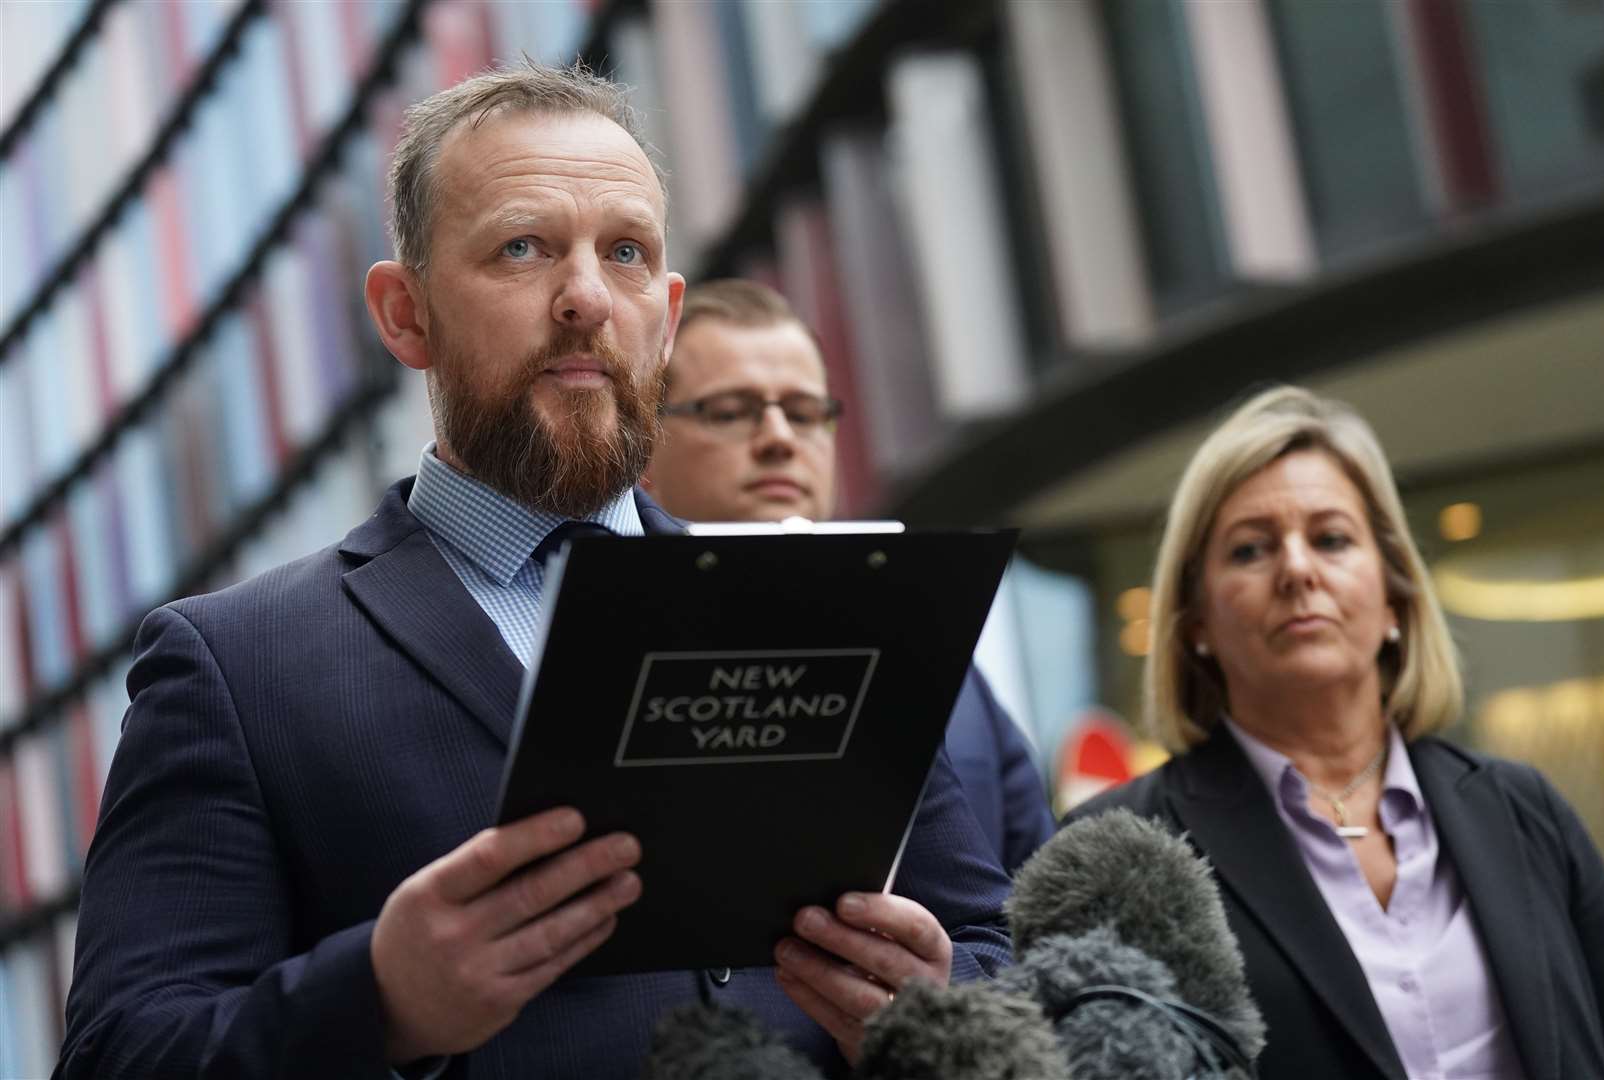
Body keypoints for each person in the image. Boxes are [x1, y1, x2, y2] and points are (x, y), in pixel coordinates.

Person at [56, 62, 1013, 1080]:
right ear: (404, 314)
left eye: (628, 254)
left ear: (670, 311)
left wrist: (930, 1018)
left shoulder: (831, 609)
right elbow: (124, 1054)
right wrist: (381, 1001)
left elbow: (989, 956)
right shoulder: (237, 665)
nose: (587, 299)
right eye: (523, 248)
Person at [1066, 386, 1604, 1079]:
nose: (1298, 570)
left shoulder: (1521, 807)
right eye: (1249, 550)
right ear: (1197, 619)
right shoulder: (1119, 852)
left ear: (1393, 597)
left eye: (1331, 539)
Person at [642, 278, 1054, 872]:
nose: (780, 439)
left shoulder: (954, 678)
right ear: (644, 445)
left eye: (806, 412)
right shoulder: (607, 650)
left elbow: (1040, 916)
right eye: (730, 412)